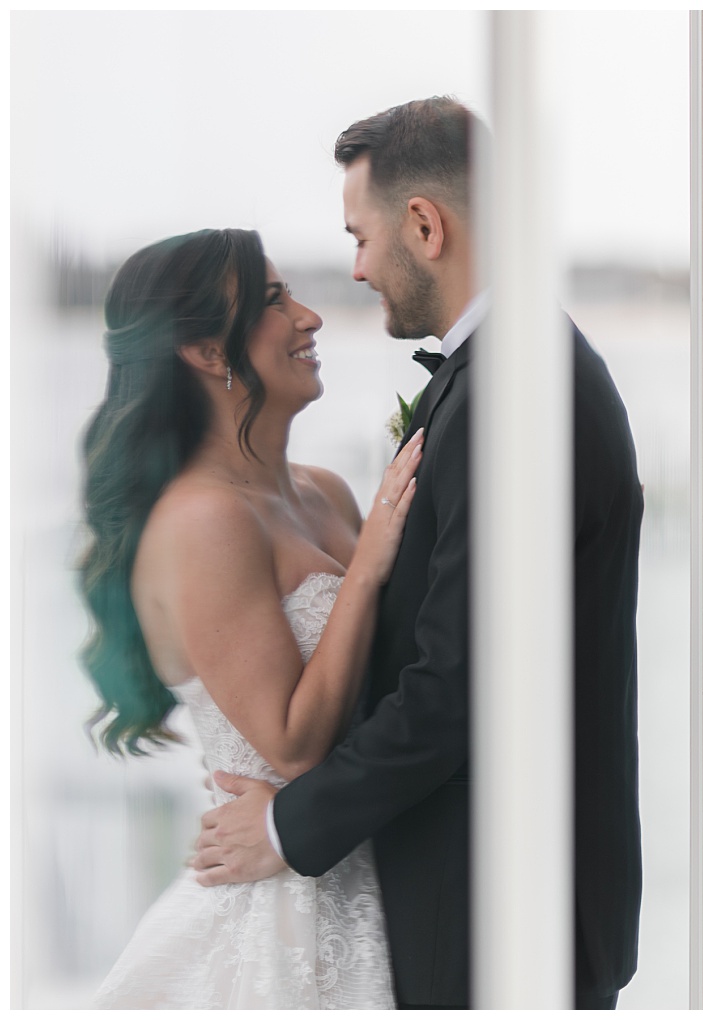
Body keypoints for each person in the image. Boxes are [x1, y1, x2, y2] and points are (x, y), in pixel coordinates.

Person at [189, 97, 644, 1009]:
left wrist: (284, 825)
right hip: (501, 894)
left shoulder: (511, 394)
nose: (355, 270)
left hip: (499, 907)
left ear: (425, 225)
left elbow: (454, 692)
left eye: (361, 238)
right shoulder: (513, 371)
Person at [82, 227, 421, 1008]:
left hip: (377, 866)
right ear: (206, 351)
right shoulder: (203, 521)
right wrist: (370, 564)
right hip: (286, 913)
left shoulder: (324, 491)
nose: (310, 316)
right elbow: (295, 745)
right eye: (273, 300)